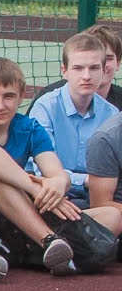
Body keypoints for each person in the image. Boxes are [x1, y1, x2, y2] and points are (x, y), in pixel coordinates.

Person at [0, 57, 117, 274]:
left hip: (19, 216)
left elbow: (54, 170)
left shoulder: (29, 127)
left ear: (22, 96)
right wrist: (33, 187)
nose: (0, 105)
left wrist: (58, 183)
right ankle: (47, 241)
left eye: (9, 96)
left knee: (113, 216)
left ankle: (27, 251)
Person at [29, 31, 119, 204]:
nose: (86, 76)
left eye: (94, 68)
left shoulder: (111, 113)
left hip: (98, 195)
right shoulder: (45, 108)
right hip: (49, 193)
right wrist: (87, 180)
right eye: (78, 68)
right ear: (64, 71)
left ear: (103, 71)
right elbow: (42, 170)